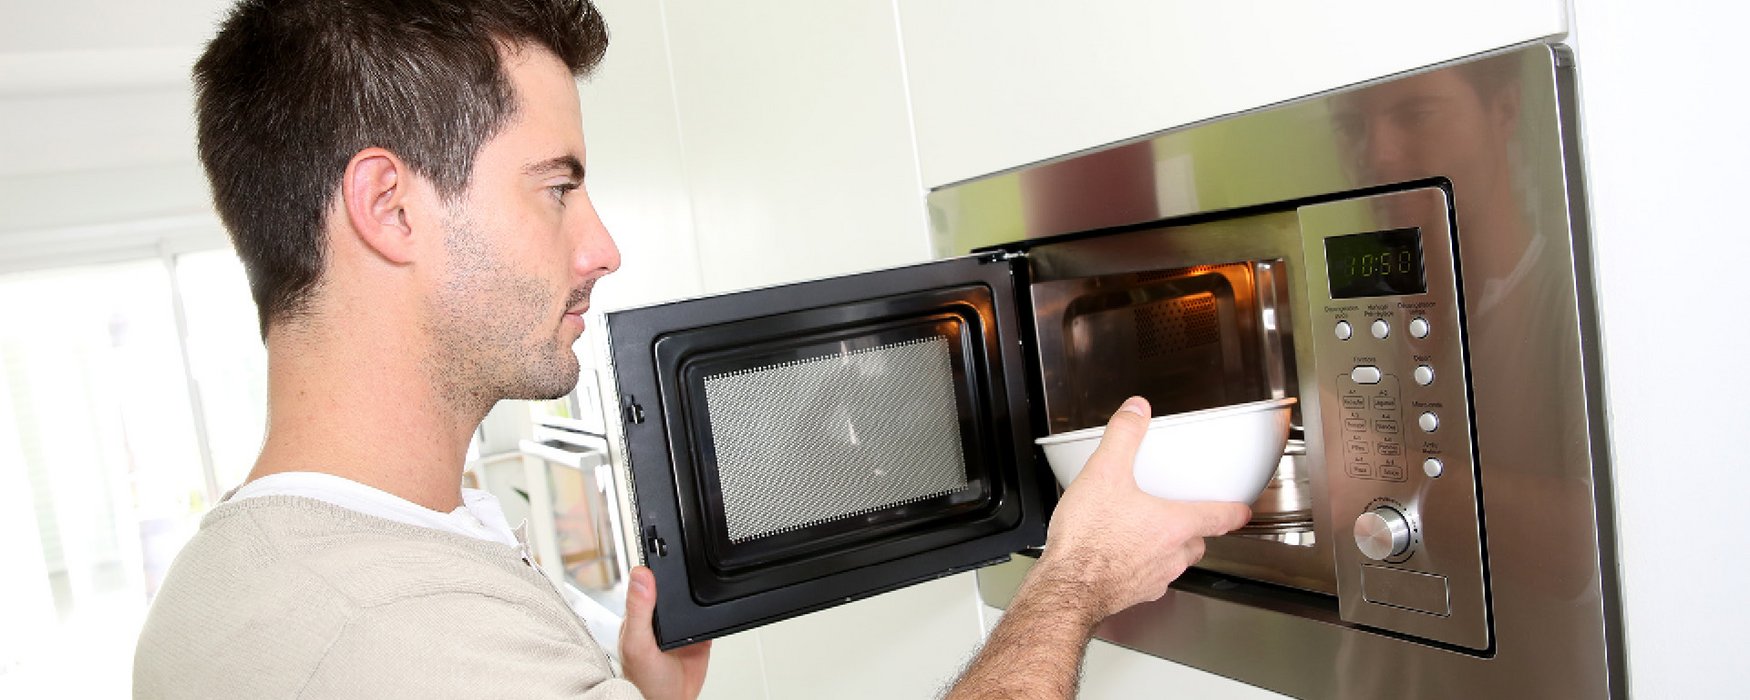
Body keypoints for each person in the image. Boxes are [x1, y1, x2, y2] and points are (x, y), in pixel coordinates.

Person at [132, 0, 1249, 698]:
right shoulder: (393, 633)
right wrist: (1075, 583)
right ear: (388, 204)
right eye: (557, 187)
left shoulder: (238, 583)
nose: (603, 246)